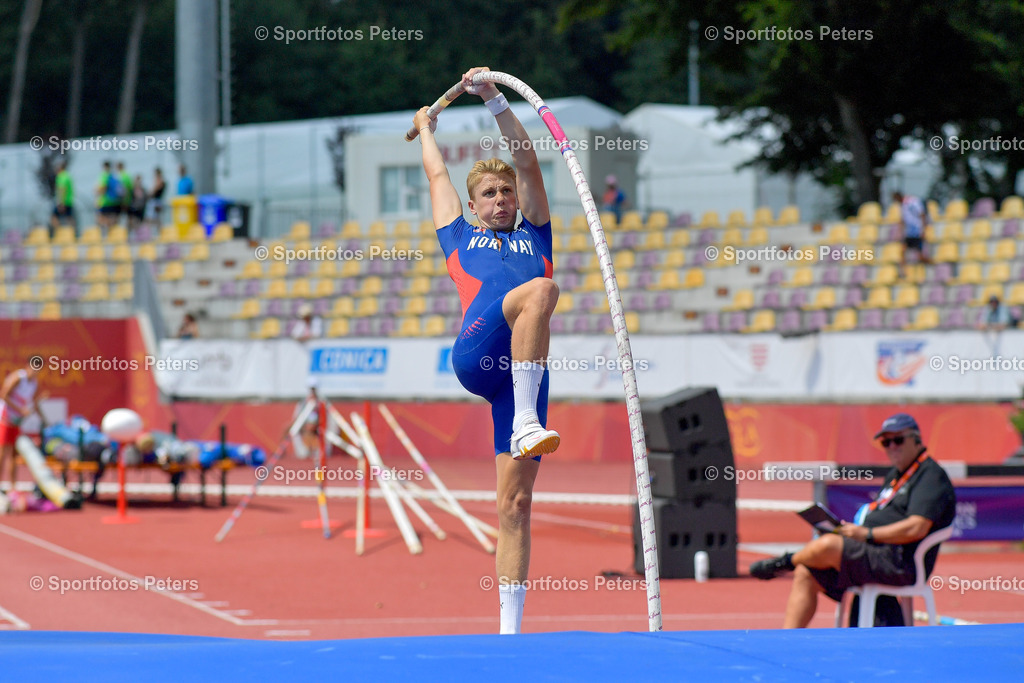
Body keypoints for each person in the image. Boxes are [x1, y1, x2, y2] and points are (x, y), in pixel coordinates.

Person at [414, 66, 560, 635]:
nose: (501, 198)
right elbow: (435, 177)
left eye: (506, 192)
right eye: (490, 194)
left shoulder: (538, 230)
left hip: (525, 373)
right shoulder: (458, 232)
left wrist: (494, 98)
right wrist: (426, 127)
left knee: (515, 507)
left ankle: (509, 633)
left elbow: (525, 158)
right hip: (479, 355)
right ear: (474, 205)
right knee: (542, 290)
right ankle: (526, 420)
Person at [749, 413, 956, 628]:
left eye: (898, 440)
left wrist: (867, 534)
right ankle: (788, 640)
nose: (892, 447)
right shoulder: (896, 475)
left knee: (828, 546)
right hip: (872, 552)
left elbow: (917, 527)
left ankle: (786, 562)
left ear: (916, 439)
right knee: (806, 572)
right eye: (886, 442)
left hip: (899, 561)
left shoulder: (930, 476)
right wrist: (852, 531)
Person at [0, 360, 43, 504]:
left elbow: (34, 404)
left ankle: (12, 486)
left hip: (17, 422)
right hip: (5, 418)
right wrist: (19, 410)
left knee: (13, 454)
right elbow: (3, 395)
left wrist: (44, 419)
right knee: (2, 453)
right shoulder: (18, 378)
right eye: (33, 368)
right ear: (28, 366)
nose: (35, 371)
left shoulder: (34, 384)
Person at [893, 191, 930, 274]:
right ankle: (903, 272)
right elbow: (903, 220)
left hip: (916, 231)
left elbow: (922, 213)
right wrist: (900, 232)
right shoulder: (903, 205)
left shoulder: (912, 201)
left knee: (919, 255)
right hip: (909, 233)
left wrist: (923, 229)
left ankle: (931, 264)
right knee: (902, 250)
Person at [50, 160, 76, 233]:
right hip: (69, 201)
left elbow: (62, 190)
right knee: (69, 218)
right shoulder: (67, 176)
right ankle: (72, 233)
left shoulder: (61, 177)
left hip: (63, 202)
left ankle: (59, 233)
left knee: (54, 217)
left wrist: (61, 202)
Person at [95, 161, 122, 228]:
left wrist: (97, 192)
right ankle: (113, 231)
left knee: (100, 219)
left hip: (105, 201)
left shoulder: (104, 176)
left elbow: (103, 189)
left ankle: (109, 229)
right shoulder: (114, 175)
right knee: (113, 219)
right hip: (114, 201)